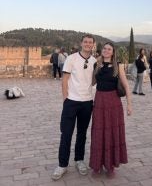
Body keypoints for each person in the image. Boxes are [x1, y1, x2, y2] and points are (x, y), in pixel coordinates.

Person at [51, 34, 96, 180]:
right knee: (66, 134)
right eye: (85, 42)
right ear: (81, 43)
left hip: (87, 102)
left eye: (90, 42)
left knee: (82, 133)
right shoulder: (71, 58)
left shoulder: (95, 61)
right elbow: (64, 79)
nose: (88, 44)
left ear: (93, 45)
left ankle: (79, 160)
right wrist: (65, 99)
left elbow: (94, 82)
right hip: (71, 101)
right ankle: (62, 165)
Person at [89, 42, 132, 177]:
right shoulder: (97, 65)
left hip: (113, 102)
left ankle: (110, 165)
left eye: (109, 49)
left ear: (112, 52)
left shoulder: (117, 66)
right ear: (102, 51)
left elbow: (126, 86)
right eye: (105, 49)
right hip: (100, 101)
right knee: (98, 133)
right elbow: (91, 82)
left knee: (112, 132)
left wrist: (129, 104)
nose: (106, 51)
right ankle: (97, 164)